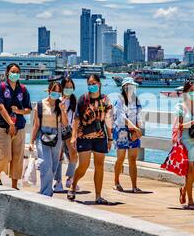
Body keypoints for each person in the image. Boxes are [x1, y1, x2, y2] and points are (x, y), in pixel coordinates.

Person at [67, 74, 113, 204]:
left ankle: (98, 196)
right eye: (89, 84)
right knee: (84, 165)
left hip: (100, 137)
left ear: (99, 84)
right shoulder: (83, 99)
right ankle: (73, 184)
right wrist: (74, 136)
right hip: (84, 137)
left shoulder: (105, 100)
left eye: (94, 83)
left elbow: (109, 120)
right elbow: (76, 118)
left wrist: (110, 138)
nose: (92, 86)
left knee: (99, 166)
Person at [0, 63, 32, 189]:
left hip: (19, 126)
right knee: (4, 155)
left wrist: (19, 111)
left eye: (17, 72)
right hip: (3, 125)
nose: (15, 74)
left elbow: (28, 109)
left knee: (17, 157)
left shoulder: (23, 89)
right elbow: (0, 106)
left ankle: (14, 185)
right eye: (12, 71)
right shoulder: (1, 87)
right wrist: (10, 123)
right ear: (7, 73)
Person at [30, 82, 68, 197]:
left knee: (54, 165)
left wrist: (62, 110)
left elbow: (65, 124)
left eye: (58, 91)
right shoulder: (40, 104)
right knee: (46, 163)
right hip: (42, 135)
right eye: (54, 90)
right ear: (49, 90)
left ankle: (46, 190)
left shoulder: (60, 105)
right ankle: (46, 192)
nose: (56, 93)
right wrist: (31, 142)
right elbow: (36, 125)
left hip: (56, 136)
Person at [174, 81, 194, 210]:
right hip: (186, 140)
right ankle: (191, 201)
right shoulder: (180, 107)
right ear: (185, 93)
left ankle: (184, 189)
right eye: (190, 91)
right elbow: (180, 125)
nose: (193, 93)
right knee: (190, 171)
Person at [113, 77, 143, 193]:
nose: (131, 89)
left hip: (134, 132)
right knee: (120, 158)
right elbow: (122, 118)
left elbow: (139, 116)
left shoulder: (136, 100)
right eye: (129, 87)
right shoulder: (119, 100)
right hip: (121, 131)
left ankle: (134, 186)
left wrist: (137, 130)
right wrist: (135, 128)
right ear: (124, 87)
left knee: (132, 159)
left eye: (133, 87)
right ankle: (116, 182)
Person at [53, 77, 79, 192]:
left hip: (69, 130)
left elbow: (77, 118)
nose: (69, 89)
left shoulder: (75, 100)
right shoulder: (57, 100)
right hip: (58, 129)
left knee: (74, 154)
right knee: (59, 154)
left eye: (71, 87)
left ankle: (70, 178)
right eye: (66, 87)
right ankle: (58, 181)